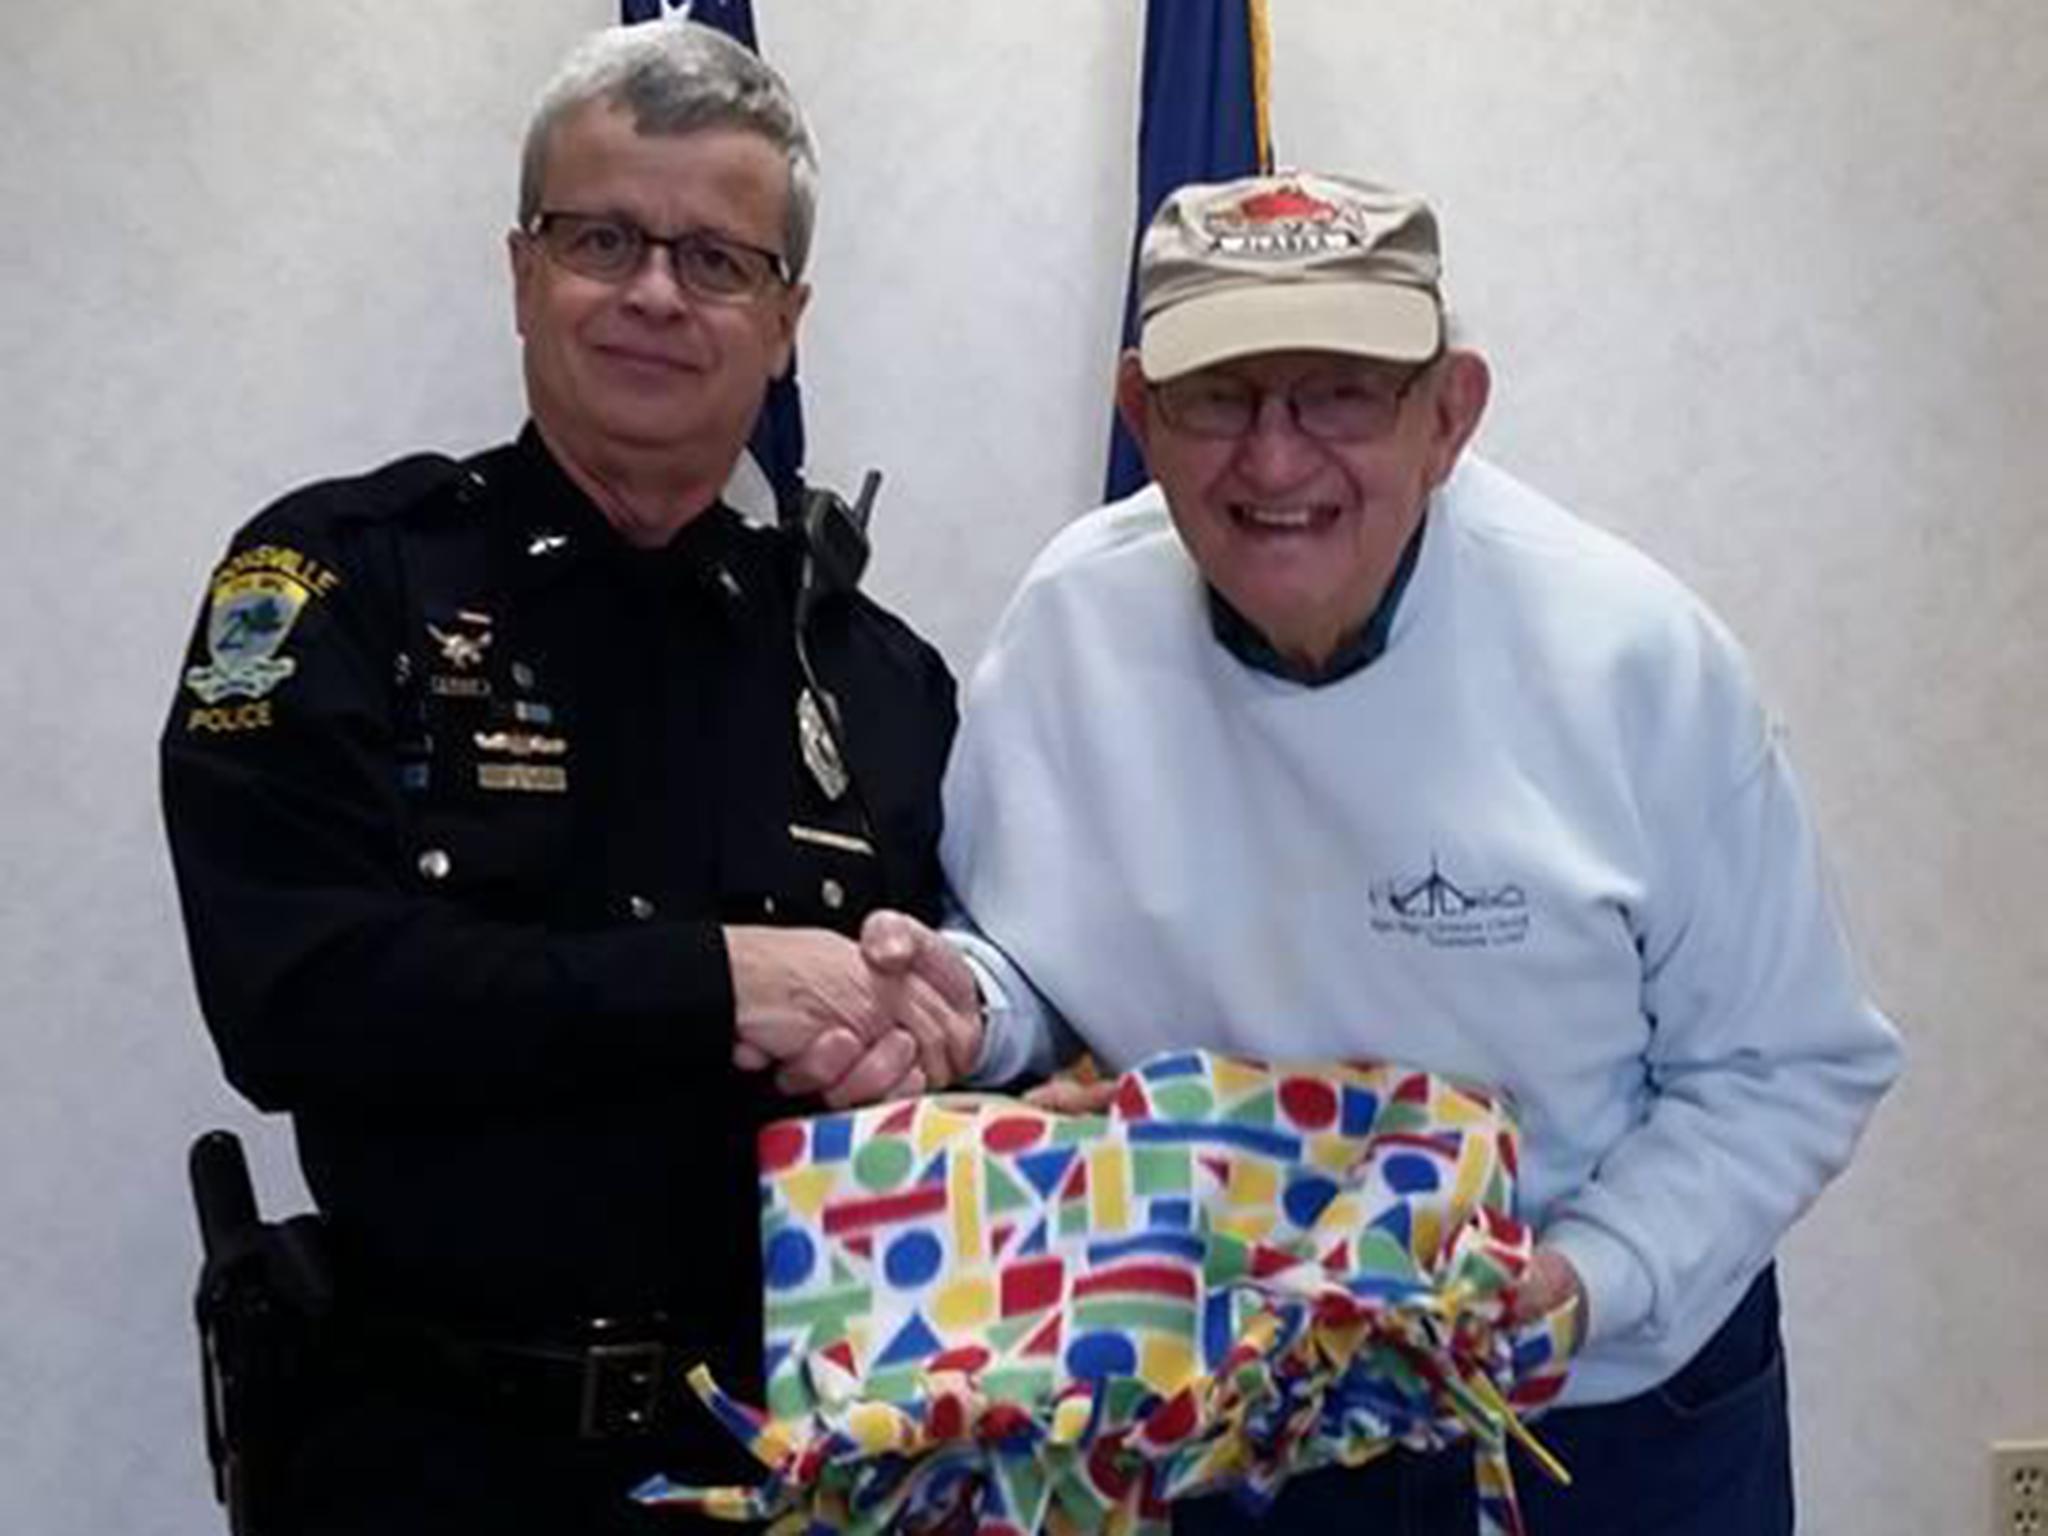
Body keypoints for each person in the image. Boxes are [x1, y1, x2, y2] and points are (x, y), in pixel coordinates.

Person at [873, 170, 1904, 1533]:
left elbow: (1791, 1061)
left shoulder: (1631, 656)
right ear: (1142, 414)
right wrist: (964, 1003)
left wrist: (1591, 1271)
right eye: (1221, 397)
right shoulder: (1071, 626)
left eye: (1342, 394)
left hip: (1599, 1409)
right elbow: (1036, 963)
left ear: (1451, 414)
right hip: (1237, 1410)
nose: (1277, 460)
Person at [161, 21, 979, 1534]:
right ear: (523, 269)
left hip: (799, 1468)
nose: (658, 293)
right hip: (432, 1458)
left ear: (788, 319)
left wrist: (929, 1030)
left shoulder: (876, 679)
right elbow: (292, 994)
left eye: (719, 260)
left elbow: (949, 1020)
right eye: (605, 238)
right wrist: (709, 983)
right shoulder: (343, 584)